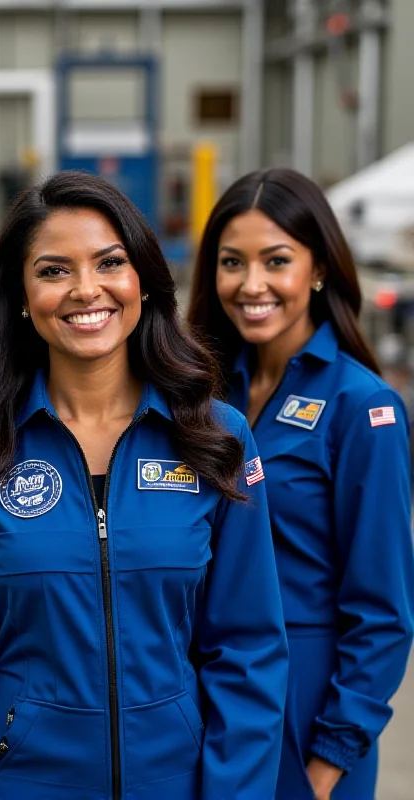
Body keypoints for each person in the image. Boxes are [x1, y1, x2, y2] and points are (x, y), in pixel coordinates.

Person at [0, 171, 288, 800]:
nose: (87, 290)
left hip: (177, 784)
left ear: (143, 281)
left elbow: (248, 652)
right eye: (53, 270)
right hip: (26, 783)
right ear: (22, 295)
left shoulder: (217, 437)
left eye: (111, 263)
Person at [187, 167, 414, 800]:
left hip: (306, 706)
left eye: (276, 260)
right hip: (209, 694)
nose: (251, 284)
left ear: (317, 270)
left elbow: (385, 609)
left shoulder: (362, 408)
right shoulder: (200, 398)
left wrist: (329, 758)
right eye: (232, 262)